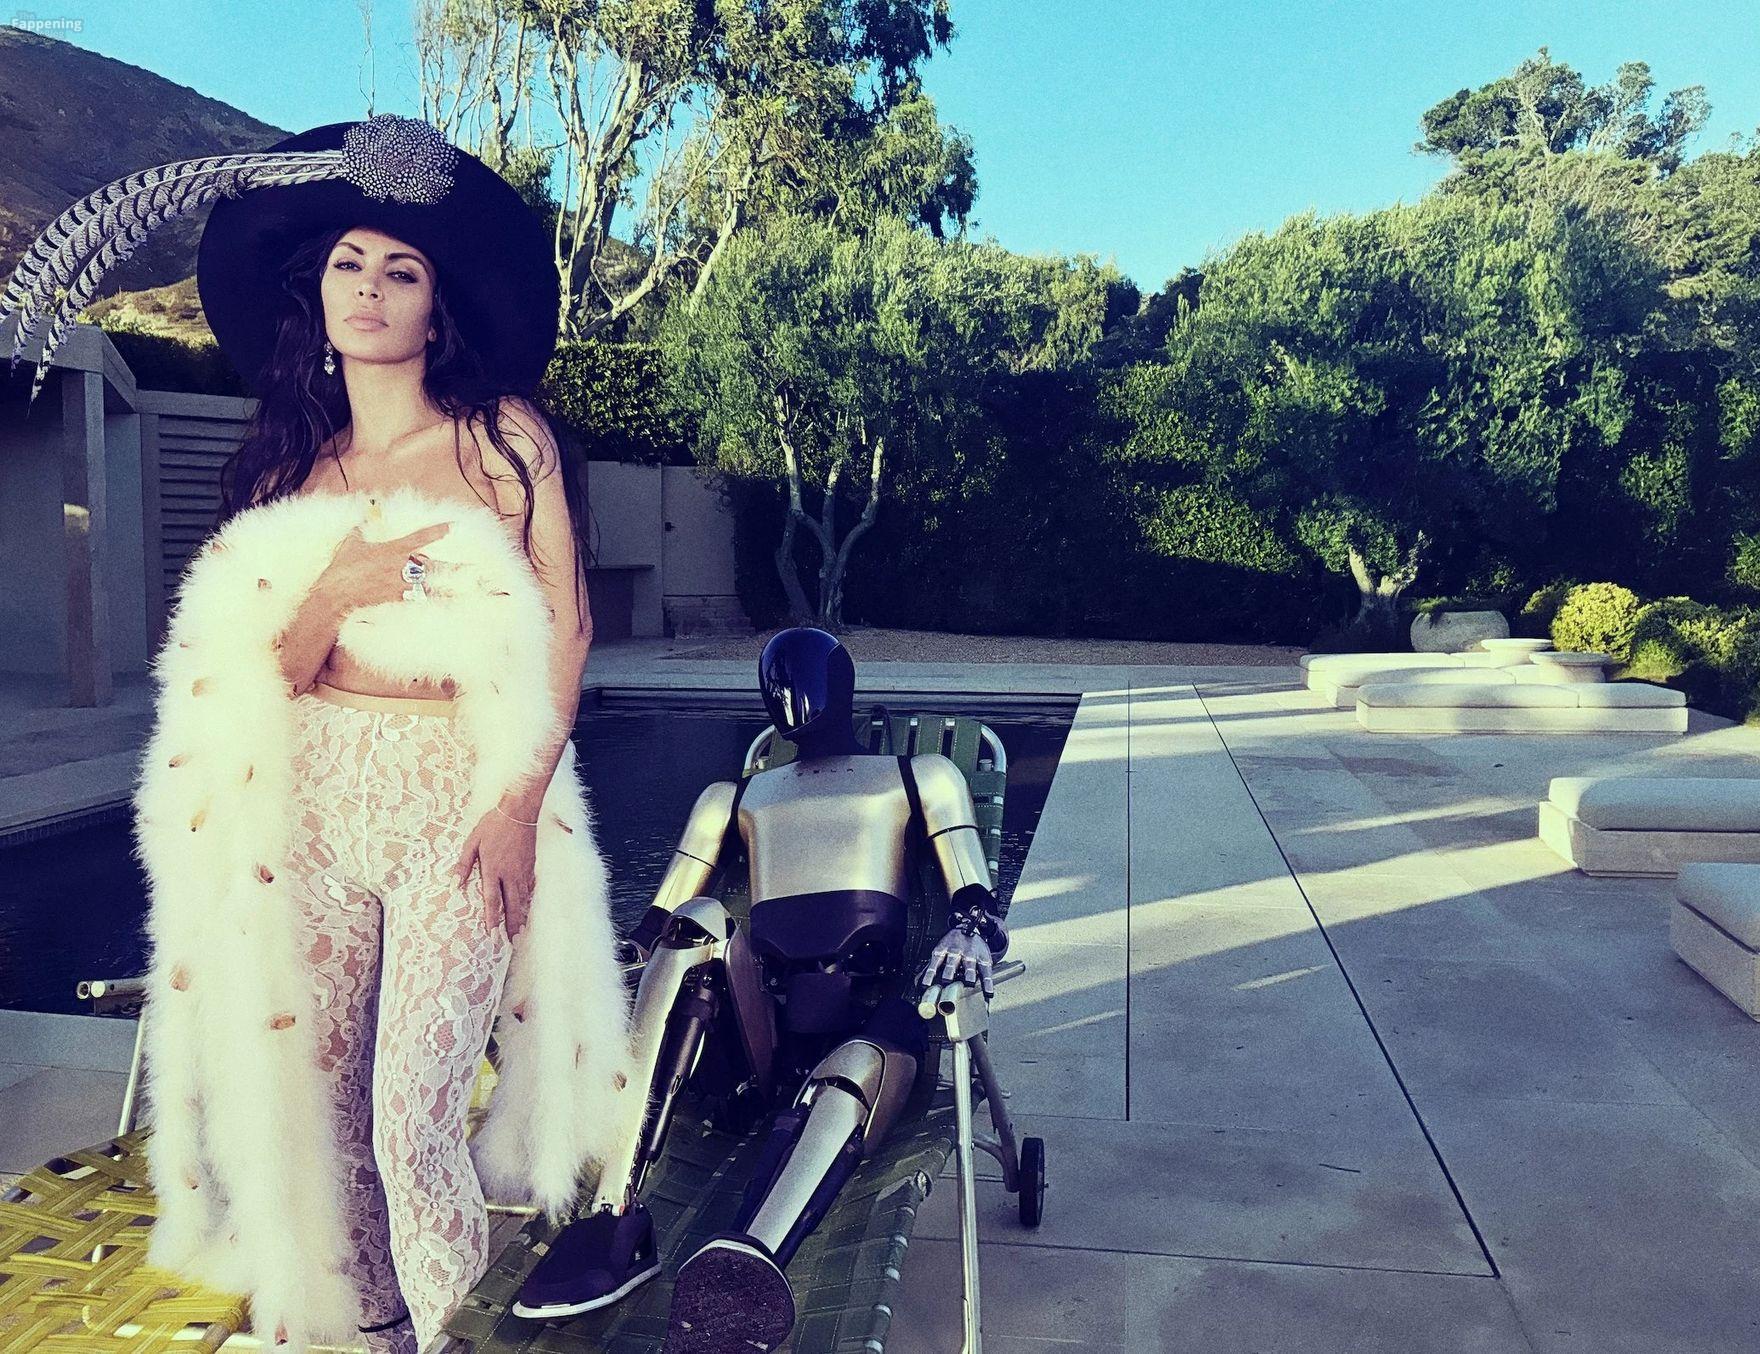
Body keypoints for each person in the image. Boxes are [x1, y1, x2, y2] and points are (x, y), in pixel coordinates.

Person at [4, 115, 640, 1354]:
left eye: (401, 270)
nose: (371, 287)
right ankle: (378, 1330)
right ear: (320, 291)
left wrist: (516, 808)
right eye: (351, 263)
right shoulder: (295, 466)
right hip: (321, 798)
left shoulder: (502, 439)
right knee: (332, 1110)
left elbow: (565, 631)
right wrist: (339, 589)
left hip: (457, 799)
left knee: (414, 1119)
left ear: (435, 307)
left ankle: (459, 1338)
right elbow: (277, 666)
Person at [509, 626, 1010, 1354]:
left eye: (803, 679)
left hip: (871, 1030)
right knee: (697, 920)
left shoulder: (919, 776)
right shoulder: (732, 797)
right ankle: (614, 1218)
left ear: (842, 686)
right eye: (778, 682)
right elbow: (656, 923)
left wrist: (970, 935)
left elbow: (975, 900)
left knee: (850, 1068)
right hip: (762, 1041)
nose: (790, 697)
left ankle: (750, 1264)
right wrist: (582, 970)